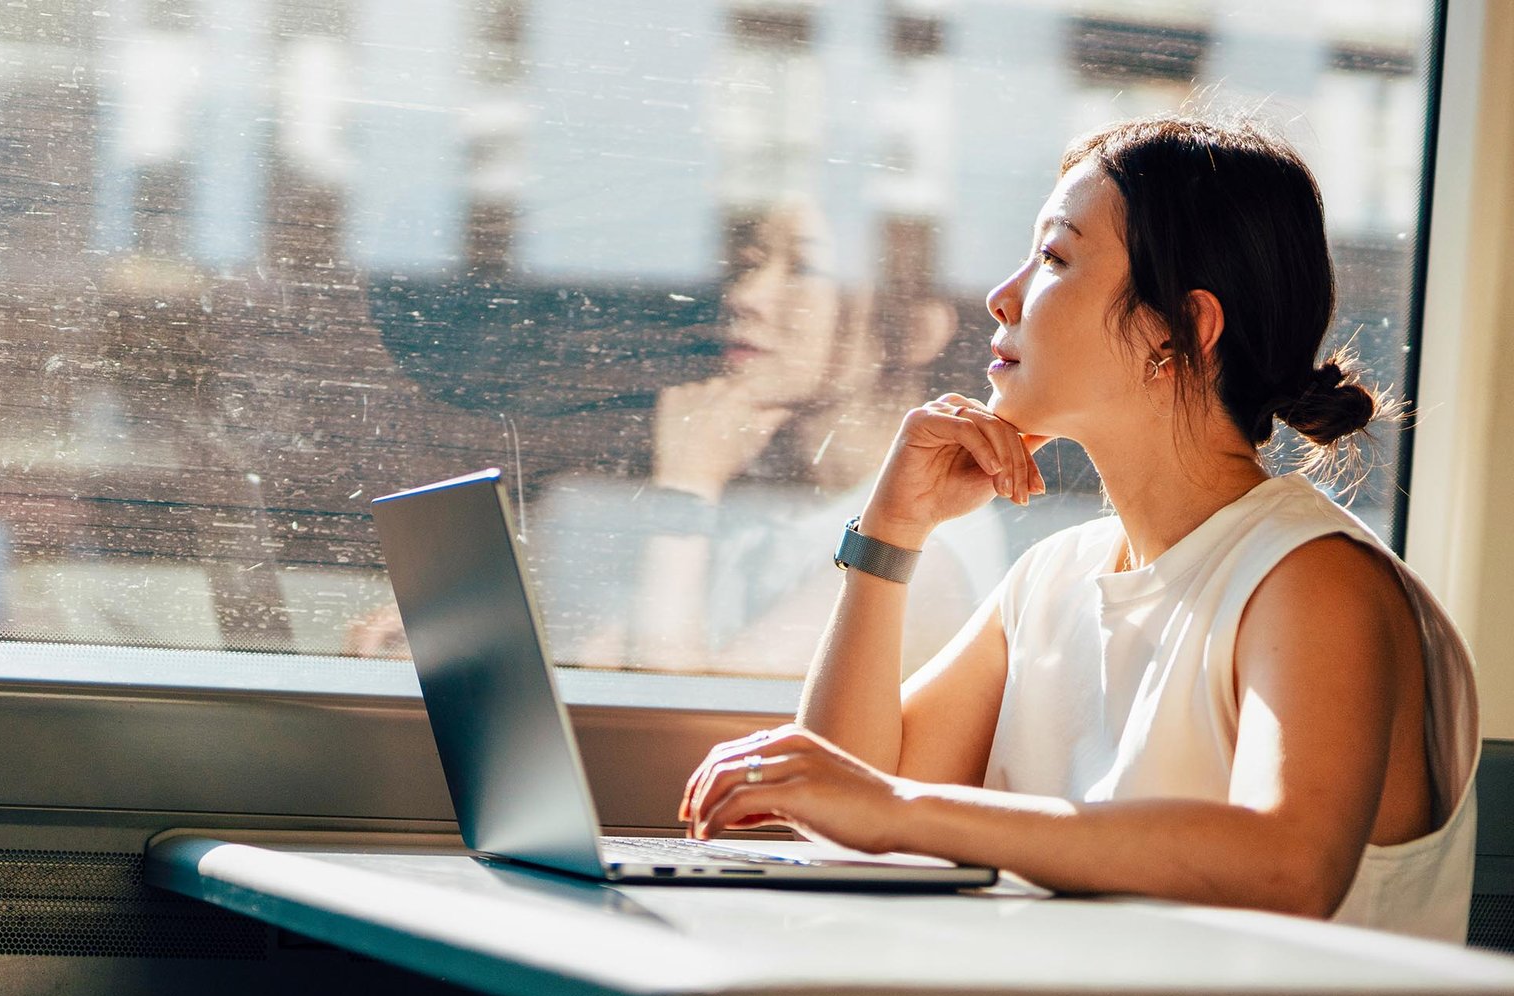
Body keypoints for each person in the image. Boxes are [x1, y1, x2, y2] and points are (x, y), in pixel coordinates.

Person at [679, 113, 1479, 943]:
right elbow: (846, 802)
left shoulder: (1313, 576)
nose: (1003, 294)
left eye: (1055, 257)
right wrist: (890, 533)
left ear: (1179, 330)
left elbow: (1288, 867)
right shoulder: (1052, 580)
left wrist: (899, 810)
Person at [527, 197, 997, 677]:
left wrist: (685, 491)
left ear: (912, 331)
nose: (744, 295)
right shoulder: (773, 504)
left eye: (803, 268)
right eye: (749, 266)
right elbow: (604, 663)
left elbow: (677, 723)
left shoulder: (923, 551)